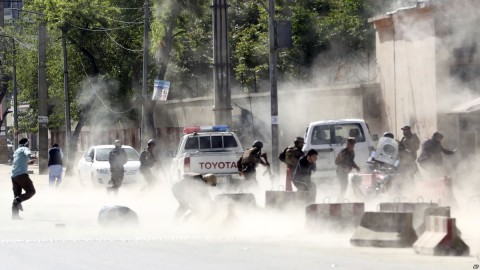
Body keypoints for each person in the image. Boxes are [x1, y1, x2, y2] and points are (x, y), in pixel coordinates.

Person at [10, 138, 37, 220]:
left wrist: (29, 163)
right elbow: (28, 154)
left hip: (14, 176)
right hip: (21, 175)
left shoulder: (17, 151)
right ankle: (19, 200)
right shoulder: (25, 148)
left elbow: (17, 162)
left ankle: (15, 216)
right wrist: (32, 156)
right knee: (31, 191)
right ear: (26, 143)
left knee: (16, 196)